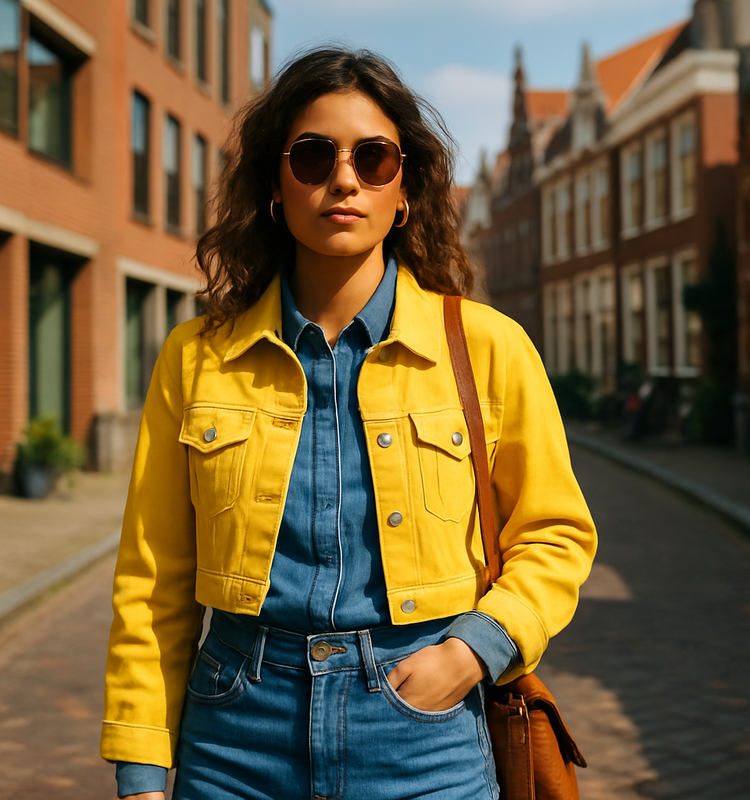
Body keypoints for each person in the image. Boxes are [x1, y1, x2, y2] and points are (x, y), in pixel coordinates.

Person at [101, 47, 597, 800]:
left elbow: (556, 534)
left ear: (405, 191)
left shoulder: (488, 348)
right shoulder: (196, 358)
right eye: (312, 156)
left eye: (373, 158)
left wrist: (474, 651)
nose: (343, 178)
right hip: (236, 733)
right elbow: (153, 578)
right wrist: (141, 768)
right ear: (275, 184)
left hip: (422, 731)